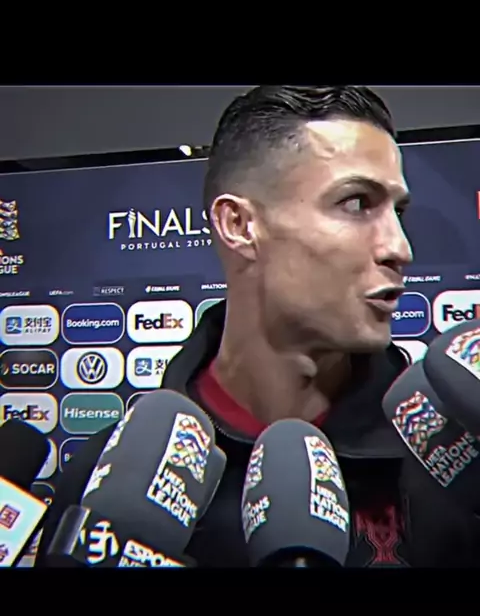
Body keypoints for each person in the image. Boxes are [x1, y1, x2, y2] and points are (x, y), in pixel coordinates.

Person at [35, 86, 476, 567]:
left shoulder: (449, 459)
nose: (400, 248)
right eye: (356, 203)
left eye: (399, 211)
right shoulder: (105, 486)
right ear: (239, 226)